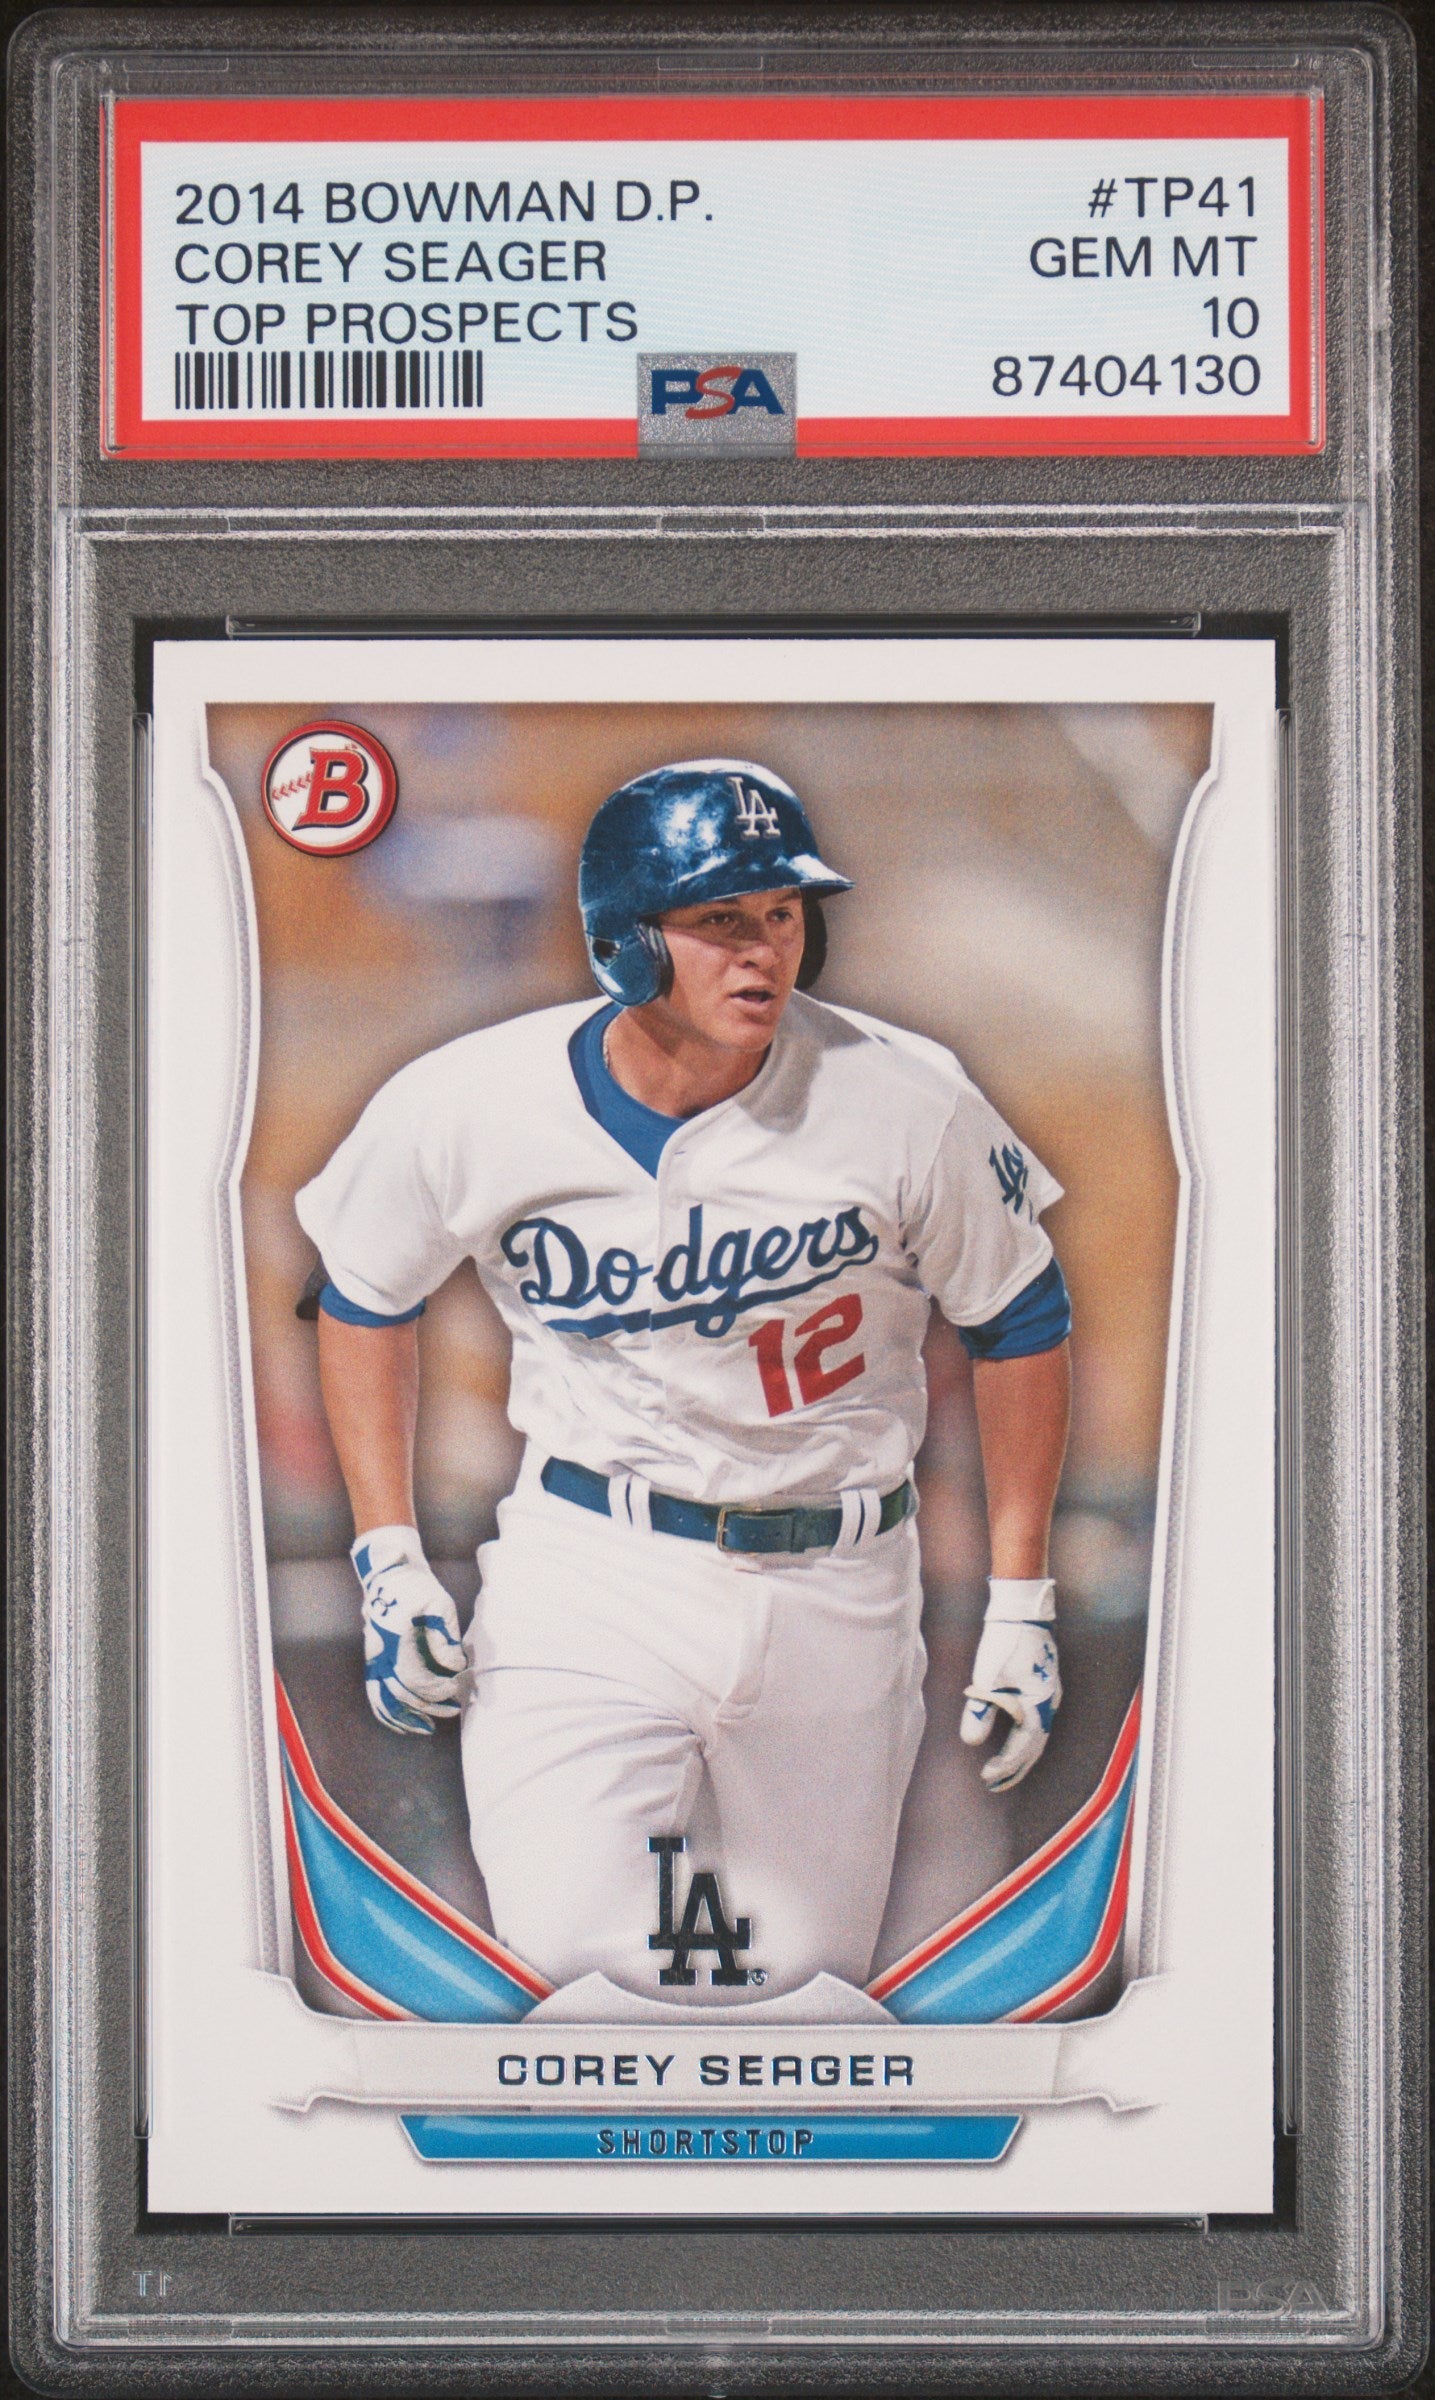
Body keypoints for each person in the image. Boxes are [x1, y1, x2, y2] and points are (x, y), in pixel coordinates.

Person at [296, 759, 1071, 2003]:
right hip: (592, 1574)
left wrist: (1021, 1604)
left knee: (802, 2005)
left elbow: (1020, 1321)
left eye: (782, 914)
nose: (764, 951)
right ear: (626, 939)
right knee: (573, 1987)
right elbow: (361, 1297)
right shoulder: (470, 1102)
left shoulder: (908, 1098)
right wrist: (388, 1557)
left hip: (839, 1586)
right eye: (720, 920)